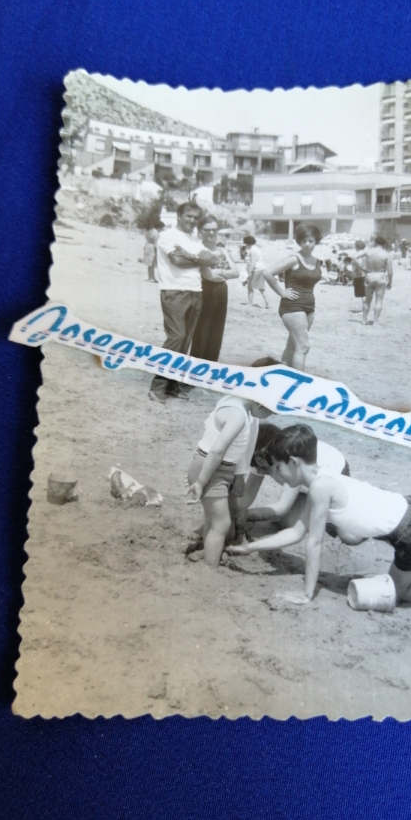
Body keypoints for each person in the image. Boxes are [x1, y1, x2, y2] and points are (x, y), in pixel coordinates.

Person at [229, 424, 411, 617]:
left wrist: (307, 594)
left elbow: (314, 542)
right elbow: (296, 532)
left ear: (294, 463)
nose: (277, 476)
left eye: (279, 469)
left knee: (404, 593)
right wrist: (249, 549)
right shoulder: (327, 477)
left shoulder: (320, 488)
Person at [186, 396, 272, 567]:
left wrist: (237, 474)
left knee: (213, 520)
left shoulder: (234, 403)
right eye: (271, 412)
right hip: (211, 469)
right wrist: (201, 482)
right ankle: (210, 568)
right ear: (261, 403)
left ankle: (208, 554)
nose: (269, 417)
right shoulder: (238, 416)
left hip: (220, 468)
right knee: (222, 524)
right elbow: (217, 451)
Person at [148, 202, 219, 403]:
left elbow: (213, 261)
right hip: (174, 290)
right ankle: (157, 385)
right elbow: (177, 261)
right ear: (179, 216)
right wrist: (199, 259)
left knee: (186, 340)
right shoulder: (168, 236)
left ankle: (172, 385)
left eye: (195, 218)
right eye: (188, 216)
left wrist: (192, 256)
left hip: (196, 291)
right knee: (176, 337)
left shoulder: (194, 239)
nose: (192, 221)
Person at [239, 422, 349, 529]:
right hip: (307, 482)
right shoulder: (264, 458)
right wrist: (234, 510)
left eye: (260, 466)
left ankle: (328, 515)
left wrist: (245, 515)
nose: (258, 470)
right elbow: (248, 494)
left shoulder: (289, 462)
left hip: (337, 474)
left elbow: (282, 507)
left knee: (290, 522)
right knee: (289, 521)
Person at [263, 223, 323, 371]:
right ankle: (298, 383)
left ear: (316, 241)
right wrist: (282, 292)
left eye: (311, 241)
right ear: (299, 242)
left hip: (309, 307)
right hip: (292, 306)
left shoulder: (316, 261)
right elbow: (267, 273)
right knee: (303, 347)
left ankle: (282, 376)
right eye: (304, 241)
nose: (308, 244)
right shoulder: (294, 258)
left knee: (293, 346)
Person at [189, 215, 240, 363]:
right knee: (201, 331)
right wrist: (223, 273)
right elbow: (209, 276)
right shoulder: (199, 249)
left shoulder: (221, 250)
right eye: (207, 230)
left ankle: (210, 367)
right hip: (204, 292)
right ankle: (195, 369)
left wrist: (221, 273)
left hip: (221, 292)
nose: (211, 233)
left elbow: (236, 272)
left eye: (214, 230)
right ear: (200, 231)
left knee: (216, 332)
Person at [359, 236, 393, 326]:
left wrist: (361, 267)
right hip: (381, 276)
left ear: (375, 243)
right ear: (384, 244)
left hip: (369, 275)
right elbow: (390, 270)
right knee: (379, 300)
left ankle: (364, 320)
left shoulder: (369, 252)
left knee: (367, 300)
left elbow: (354, 256)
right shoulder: (386, 254)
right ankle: (375, 321)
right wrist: (390, 281)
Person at [244, 235, 270, 308]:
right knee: (261, 288)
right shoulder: (257, 249)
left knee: (250, 287)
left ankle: (250, 303)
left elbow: (252, 263)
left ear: (248, 243)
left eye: (246, 244)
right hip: (262, 268)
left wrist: (249, 273)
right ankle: (267, 303)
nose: (246, 245)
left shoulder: (252, 251)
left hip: (256, 270)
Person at [350, 240, 367, 311]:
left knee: (362, 293)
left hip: (359, 274)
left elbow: (359, 264)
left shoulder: (357, 255)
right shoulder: (366, 254)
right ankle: (364, 306)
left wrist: (359, 270)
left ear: (357, 247)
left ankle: (364, 307)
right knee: (363, 292)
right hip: (365, 274)